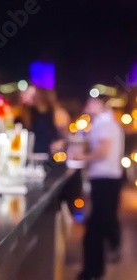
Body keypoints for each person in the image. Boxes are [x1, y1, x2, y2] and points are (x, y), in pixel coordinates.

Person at [76, 94, 124, 280]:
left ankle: (92, 271)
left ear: (101, 104)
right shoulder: (104, 123)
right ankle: (97, 268)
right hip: (107, 179)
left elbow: (103, 152)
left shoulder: (104, 124)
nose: (88, 105)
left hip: (105, 180)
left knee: (95, 227)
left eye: (91, 102)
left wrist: (82, 158)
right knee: (101, 222)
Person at [19, 86, 69, 154]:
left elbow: (65, 137)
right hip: (33, 156)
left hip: (50, 158)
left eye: (32, 95)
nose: (27, 97)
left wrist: (60, 143)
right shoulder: (29, 113)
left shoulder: (57, 113)